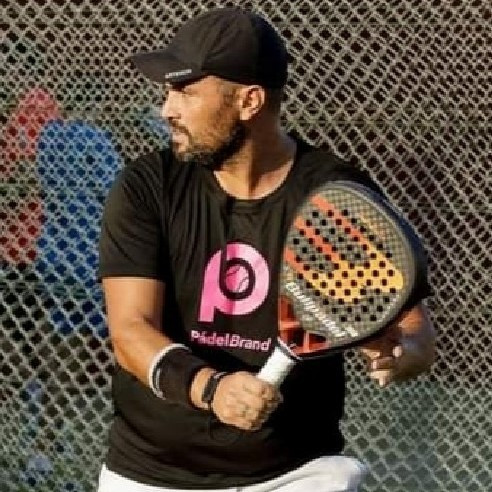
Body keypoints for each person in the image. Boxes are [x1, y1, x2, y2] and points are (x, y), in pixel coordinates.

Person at [97, 7, 435, 492]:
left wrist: (399, 354)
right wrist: (210, 388)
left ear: (249, 101)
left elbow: (415, 333)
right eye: (168, 91)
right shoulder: (148, 186)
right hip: (148, 471)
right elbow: (131, 330)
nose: (167, 108)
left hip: (296, 472)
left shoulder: (333, 197)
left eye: (186, 91)